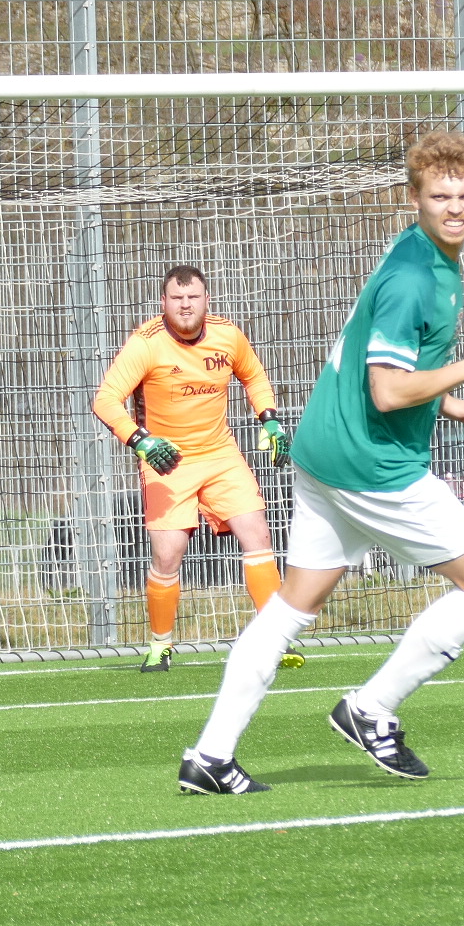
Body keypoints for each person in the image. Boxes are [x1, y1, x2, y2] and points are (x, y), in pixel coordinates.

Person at [177, 130, 464, 795]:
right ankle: (371, 708)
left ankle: (210, 756)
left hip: (323, 450)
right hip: (372, 465)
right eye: (440, 196)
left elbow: (383, 364)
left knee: (291, 607)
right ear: (414, 198)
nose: (455, 208)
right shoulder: (417, 278)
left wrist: (447, 404)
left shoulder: (418, 250)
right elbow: (387, 391)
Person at [91, 265, 292, 673]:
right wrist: (140, 441)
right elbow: (106, 399)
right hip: (167, 460)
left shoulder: (228, 335)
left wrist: (269, 419)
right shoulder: (146, 343)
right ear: (163, 302)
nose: (186, 305)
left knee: (257, 533)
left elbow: (254, 376)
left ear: (206, 300)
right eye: (177, 298)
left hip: (221, 455)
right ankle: (160, 645)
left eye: (193, 297)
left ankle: (274, 642)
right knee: (168, 554)